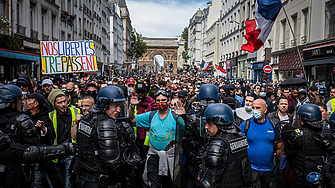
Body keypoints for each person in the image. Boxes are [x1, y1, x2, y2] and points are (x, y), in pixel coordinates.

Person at [0, 85, 75, 188]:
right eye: (20, 100)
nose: (23, 102)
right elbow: (31, 150)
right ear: (12, 103)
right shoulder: (21, 120)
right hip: (16, 171)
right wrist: (63, 149)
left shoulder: (34, 117)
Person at [75, 86, 141, 187]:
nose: (118, 110)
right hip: (100, 180)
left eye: (120, 106)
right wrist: (127, 172)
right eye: (115, 106)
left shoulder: (87, 117)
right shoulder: (106, 123)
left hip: (84, 178)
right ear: (104, 104)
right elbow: (112, 163)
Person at [129, 89, 186, 188]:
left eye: (163, 100)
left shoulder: (175, 115)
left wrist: (184, 116)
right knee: (153, 184)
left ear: (168, 100)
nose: (161, 103)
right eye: (158, 100)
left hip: (171, 158)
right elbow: (132, 120)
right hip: (154, 156)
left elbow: (187, 127)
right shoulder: (151, 115)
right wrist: (132, 106)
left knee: (169, 184)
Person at [197, 103, 252, 188]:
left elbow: (210, 181)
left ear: (220, 124)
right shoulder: (239, 137)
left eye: (210, 123)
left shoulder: (218, 144)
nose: (206, 127)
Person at [240, 99, 284, 188]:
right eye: (253, 108)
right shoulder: (245, 125)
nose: (254, 110)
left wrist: (280, 150)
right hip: (251, 169)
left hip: (269, 169)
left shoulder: (273, 125)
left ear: (265, 110)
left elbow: (279, 141)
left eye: (258, 108)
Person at [182, 84, 219, 188]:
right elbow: (187, 141)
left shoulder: (220, 118)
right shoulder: (195, 119)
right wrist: (195, 156)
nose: (207, 105)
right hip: (197, 163)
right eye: (205, 102)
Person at [286, 104, 328, 188]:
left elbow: (289, 154)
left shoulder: (298, 134)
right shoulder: (327, 132)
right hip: (321, 176)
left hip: (302, 177)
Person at [48, 89, 81, 188]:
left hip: (71, 153)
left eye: (64, 101)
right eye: (59, 102)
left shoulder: (76, 111)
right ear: (54, 104)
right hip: (57, 154)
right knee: (61, 181)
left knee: (68, 183)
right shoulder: (51, 116)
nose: (63, 104)